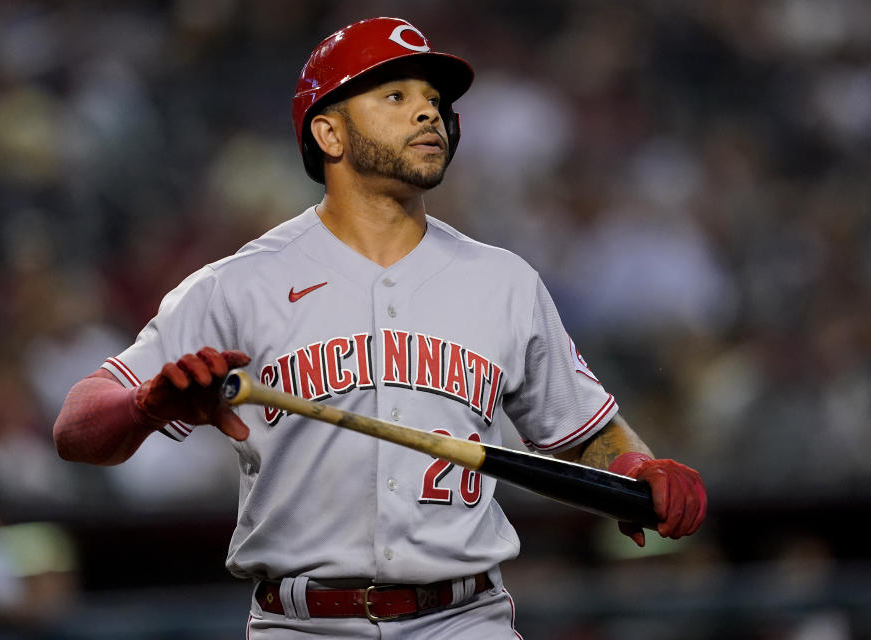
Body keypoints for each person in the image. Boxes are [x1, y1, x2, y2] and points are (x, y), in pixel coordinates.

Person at [53, 16, 707, 639]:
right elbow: (77, 428)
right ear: (329, 135)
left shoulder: (503, 282)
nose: (428, 112)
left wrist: (636, 469)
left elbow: (587, 433)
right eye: (395, 95)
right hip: (301, 624)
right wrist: (140, 406)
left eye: (433, 99)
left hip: (463, 618)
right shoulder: (238, 284)